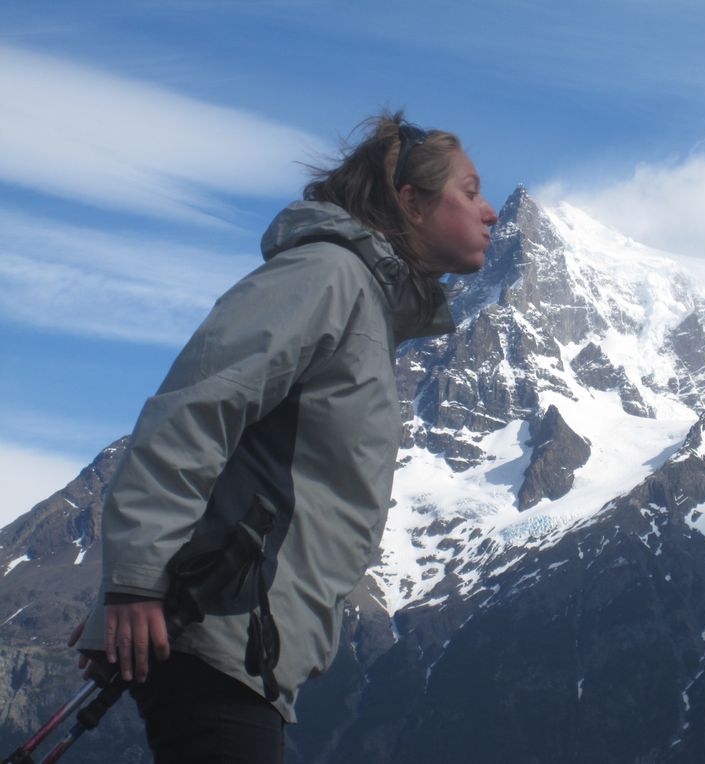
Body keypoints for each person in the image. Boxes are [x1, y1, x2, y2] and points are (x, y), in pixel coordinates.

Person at [70, 111, 498, 763]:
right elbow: (196, 403)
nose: (490, 212)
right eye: (470, 192)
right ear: (410, 203)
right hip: (215, 629)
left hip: (246, 652)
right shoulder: (327, 276)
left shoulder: (372, 316)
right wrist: (133, 582)